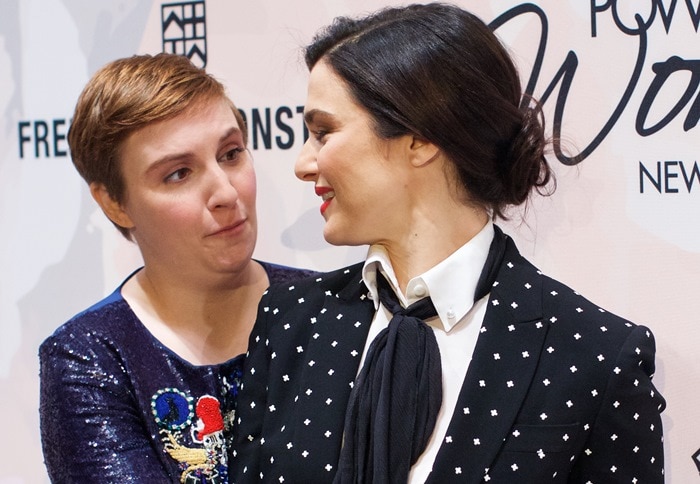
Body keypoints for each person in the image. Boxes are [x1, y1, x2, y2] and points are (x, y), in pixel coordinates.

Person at [230, 4, 666, 483]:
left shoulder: (593, 357)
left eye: (323, 132)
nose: (303, 163)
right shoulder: (291, 319)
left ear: (420, 138)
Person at [39, 53, 315, 483]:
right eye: (178, 174)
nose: (225, 191)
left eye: (230, 153)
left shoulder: (332, 310)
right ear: (113, 202)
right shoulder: (88, 357)